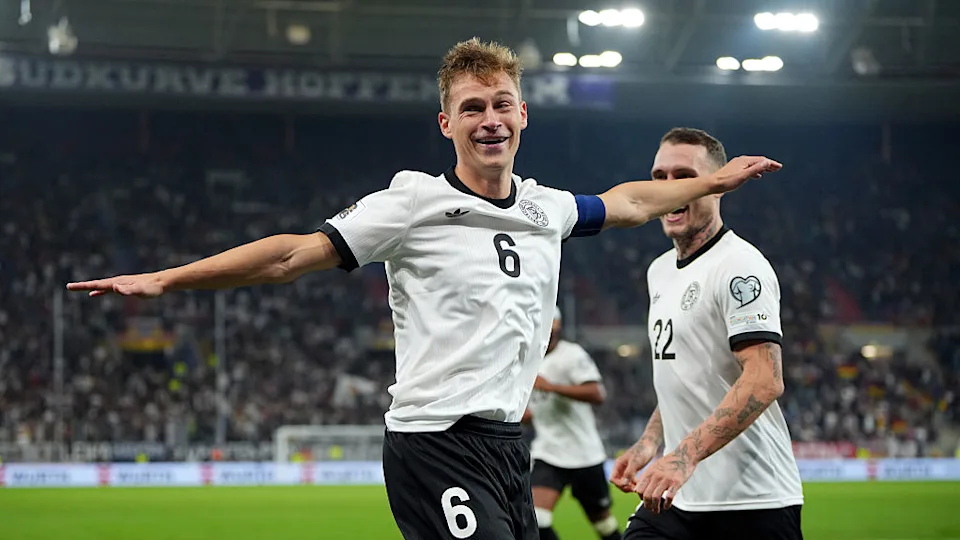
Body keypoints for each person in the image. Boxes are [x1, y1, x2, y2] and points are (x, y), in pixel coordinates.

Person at [67, 40, 781, 539]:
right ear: (447, 124)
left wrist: (711, 181)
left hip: (507, 445)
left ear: (523, 116)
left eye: (503, 103)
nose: (491, 119)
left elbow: (624, 203)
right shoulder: (410, 204)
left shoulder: (545, 207)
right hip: (434, 442)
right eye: (472, 108)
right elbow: (290, 255)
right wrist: (166, 278)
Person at [609, 127, 803, 540]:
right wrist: (649, 443)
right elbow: (686, 376)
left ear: (718, 187)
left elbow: (764, 379)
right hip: (678, 498)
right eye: (659, 177)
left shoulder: (739, 265)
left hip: (752, 501)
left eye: (684, 176)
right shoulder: (658, 271)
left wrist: (683, 455)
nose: (668, 189)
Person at [523, 308, 621, 540]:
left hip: (583, 454)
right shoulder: (528, 360)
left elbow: (597, 393)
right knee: (536, 519)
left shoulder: (572, 355)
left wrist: (552, 387)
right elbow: (533, 413)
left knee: (603, 523)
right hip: (548, 452)